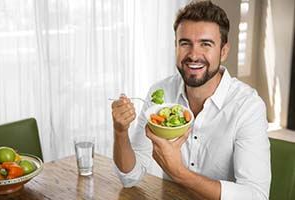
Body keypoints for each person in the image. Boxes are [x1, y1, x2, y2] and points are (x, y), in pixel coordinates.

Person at [111, 1, 271, 199]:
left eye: (206, 44)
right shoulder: (160, 92)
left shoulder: (248, 107)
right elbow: (130, 177)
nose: (194, 55)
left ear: (223, 51)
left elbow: (256, 196)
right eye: (185, 43)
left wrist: (180, 173)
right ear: (176, 46)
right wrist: (120, 132)